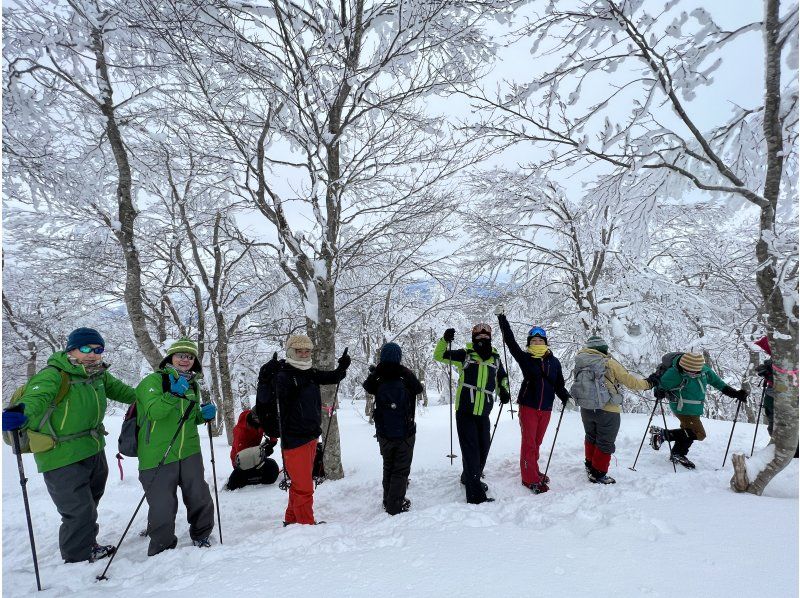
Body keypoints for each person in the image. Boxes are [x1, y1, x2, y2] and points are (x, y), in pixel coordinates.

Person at [1, 327, 136, 563]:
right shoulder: (54, 374)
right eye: (85, 348)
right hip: (60, 454)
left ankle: (87, 542)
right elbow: (36, 397)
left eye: (98, 349)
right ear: (71, 349)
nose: (92, 354)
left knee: (90, 503)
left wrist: (157, 395)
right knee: (78, 510)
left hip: (93, 447)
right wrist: (22, 411)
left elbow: (128, 393)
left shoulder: (98, 375)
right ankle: (78, 557)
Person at [135, 338, 217, 555]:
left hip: (189, 451)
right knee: (162, 507)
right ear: (170, 358)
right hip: (157, 455)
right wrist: (173, 394)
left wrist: (203, 415)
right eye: (180, 355)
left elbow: (188, 418)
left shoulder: (193, 385)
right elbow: (154, 413)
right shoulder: (152, 382)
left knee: (200, 497)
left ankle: (202, 535)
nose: (185, 360)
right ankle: (161, 548)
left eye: (190, 356)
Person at [257, 335, 350, 525]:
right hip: (294, 439)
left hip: (311, 436)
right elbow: (266, 399)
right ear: (291, 351)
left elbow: (331, 377)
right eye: (300, 351)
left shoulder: (310, 372)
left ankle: (291, 520)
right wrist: (265, 376)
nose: (304, 354)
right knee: (304, 487)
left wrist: (343, 367)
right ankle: (305, 525)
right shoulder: (282, 374)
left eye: (307, 351)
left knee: (300, 484)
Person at [495, 308, 570, 494]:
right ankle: (529, 479)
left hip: (546, 408)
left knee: (537, 442)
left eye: (540, 340)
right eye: (534, 340)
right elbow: (510, 342)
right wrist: (502, 318)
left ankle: (533, 470)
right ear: (530, 343)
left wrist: (566, 397)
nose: (537, 343)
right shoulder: (525, 358)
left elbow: (558, 385)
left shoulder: (555, 362)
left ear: (545, 342)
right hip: (528, 406)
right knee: (529, 442)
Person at [434, 323, 510, 504]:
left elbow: (502, 379)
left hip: (484, 412)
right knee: (471, 452)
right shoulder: (465, 355)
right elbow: (438, 355)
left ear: (490, 338)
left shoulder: (495, 359)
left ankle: (468, 478)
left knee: (483, 448)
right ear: (473, 338)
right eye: (479, 336)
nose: (482, 339)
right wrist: (445, 340)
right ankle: (476, 496)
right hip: (465, 411)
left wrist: (504, 391)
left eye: (486, 336)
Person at [571, 335, 652, 484]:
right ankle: (599, 473)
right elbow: (631, 382)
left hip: (586, 408)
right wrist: (649, 383)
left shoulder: (580, 362)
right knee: (605, 441)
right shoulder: (609, 363)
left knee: (591, 436)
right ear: (603, 349)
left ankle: (590, 465)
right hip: (607, 410)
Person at [648, 352, 747, 469]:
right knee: (698, 433)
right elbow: (660, 386)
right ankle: (663, 434)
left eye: (695, 372)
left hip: (695, 408)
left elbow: (717, 383)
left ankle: (678, 453)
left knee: (687, 431)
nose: (693, 374)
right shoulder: (674, 373)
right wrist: (658, 391)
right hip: (682, 407)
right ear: (683, 367)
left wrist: (734, 393)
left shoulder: (704, 370)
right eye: (689, 372)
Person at [362, 342, 423, 515]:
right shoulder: (404, 375)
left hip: (384, 433)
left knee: (388, 465)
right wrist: (404, 370)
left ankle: (387, 499)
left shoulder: (379, 377)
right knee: (401, 469)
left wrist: (378, 370)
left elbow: (368, 386)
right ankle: (395, 505)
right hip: (406, 432)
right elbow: (419, 388)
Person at [225, 409, 280, 490]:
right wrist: (263, 452)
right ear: (255, 419)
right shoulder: (240, 431)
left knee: (273, 468)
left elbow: (270, 429)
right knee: (270, 473)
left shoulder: (258, 420)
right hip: (241, 461)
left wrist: (272, 442)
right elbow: (242, 456)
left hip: (255, 456)